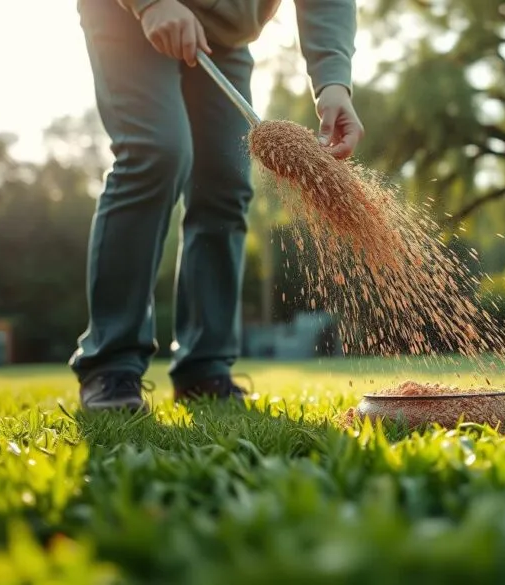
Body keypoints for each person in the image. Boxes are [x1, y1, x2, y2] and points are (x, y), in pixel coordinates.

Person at [70, 0, 363, 412]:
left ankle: (204, 368)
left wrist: (333, 81)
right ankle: (110, 362)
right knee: (156, 153)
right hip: (126, 14)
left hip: (225, 36)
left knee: (225, 180)